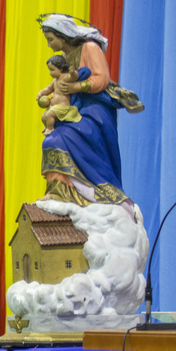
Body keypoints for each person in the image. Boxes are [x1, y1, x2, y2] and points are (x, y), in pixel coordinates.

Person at [37, 13, 144, 209]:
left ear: (63, 35)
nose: (49, 45)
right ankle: (61, 190)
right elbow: (58, 84)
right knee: (51, 140)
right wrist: (49, 96)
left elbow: (101, 79)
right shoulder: (63, 57)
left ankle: (97, 189)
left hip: (94, 109)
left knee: (65, 138)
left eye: (50, 39)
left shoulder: (90, 48)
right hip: (73, 107)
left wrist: (75, 88)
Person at [39, 54, 85, 135]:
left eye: (52, 70)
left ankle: (50, 128)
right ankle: (47, 126)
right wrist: (41, 93)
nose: (50, 73)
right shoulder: (55, 80)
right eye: (49, 70)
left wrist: (72, 72)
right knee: (44, 116)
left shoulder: (65, 77)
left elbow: (74, 78)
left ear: (60, 68)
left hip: (63, 108)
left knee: (49, 114)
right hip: (54, 108)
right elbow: (48, 89)